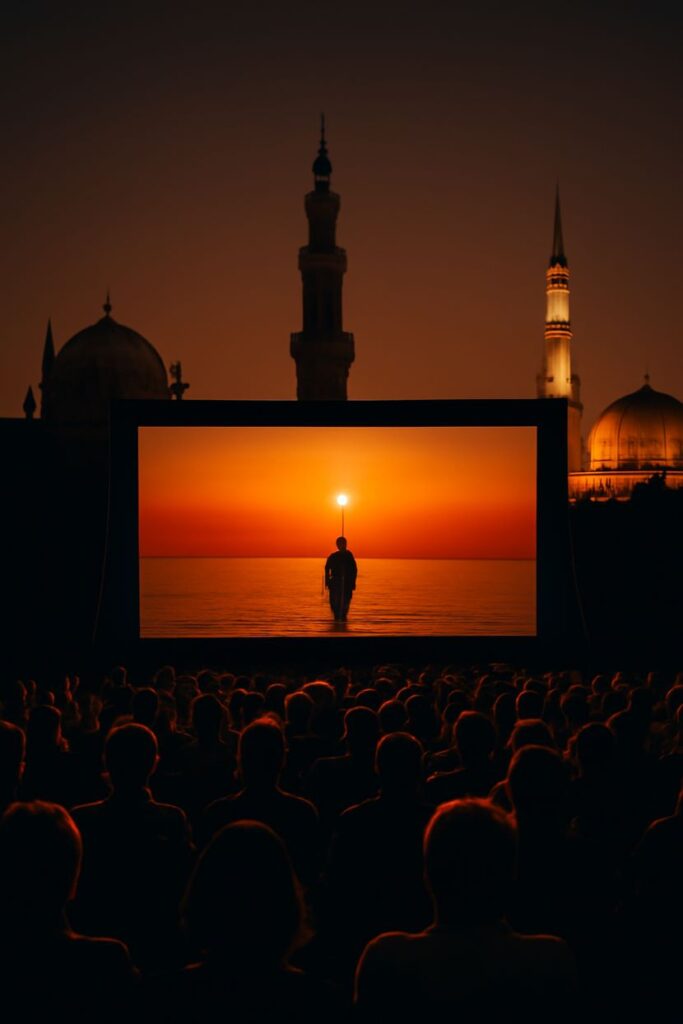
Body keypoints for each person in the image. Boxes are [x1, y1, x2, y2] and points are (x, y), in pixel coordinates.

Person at [325, 536, 357, 621]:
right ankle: (338, 620)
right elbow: (327, 568)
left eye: (343, 543)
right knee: (335, 605)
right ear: (337, 545)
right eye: (339, 544)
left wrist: (353, 582)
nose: (341, 545)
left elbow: (354, 569)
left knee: (344, 606)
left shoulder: (349, 555)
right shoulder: (333, 556)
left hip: (346, 584)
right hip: (335, 584)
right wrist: (327, 581)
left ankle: (342, 620)